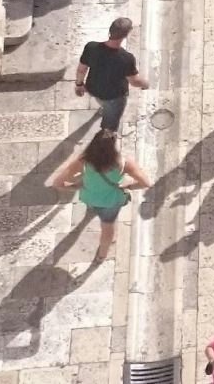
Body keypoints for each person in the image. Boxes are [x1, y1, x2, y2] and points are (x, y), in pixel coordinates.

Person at [50, 131, 149, 262]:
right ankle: (101, 256)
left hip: (89, 197)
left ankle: (92, 213)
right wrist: (127, 186)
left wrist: (76, 186)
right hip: (110, 203)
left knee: (93, 209)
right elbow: (146, 183)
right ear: (113, 148)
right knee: (107, 230)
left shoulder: (83, 161)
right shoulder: (125, 164)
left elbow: (57, 183)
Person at [75, 18, 145, 133]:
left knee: (101, 102)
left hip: (94, 88)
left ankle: (104, 109)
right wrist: (146, 84)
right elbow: (134, 81)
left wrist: (79, 84)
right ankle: (107, 136)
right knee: (110, 123)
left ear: (110, 31)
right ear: (125, 35)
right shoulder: (126, 58)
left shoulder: (91, 47)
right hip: (114, 97)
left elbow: (82, 70)